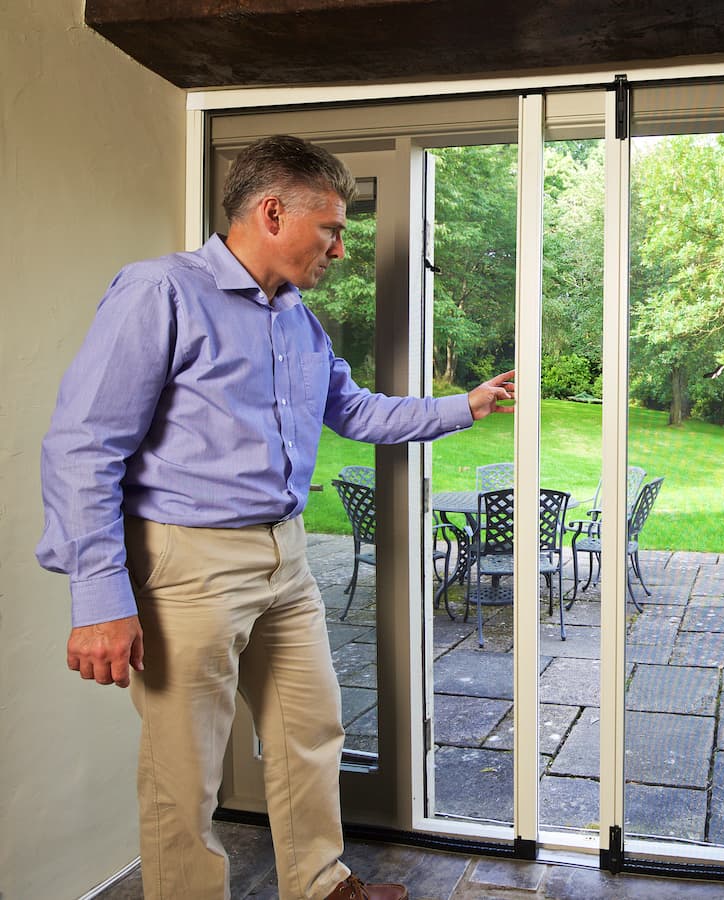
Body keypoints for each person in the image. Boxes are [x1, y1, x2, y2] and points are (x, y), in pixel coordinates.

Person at [36, 134, 514, 900]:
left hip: (284, 558)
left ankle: (321, 884)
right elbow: (82, 448)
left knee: (311, 730)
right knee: (183, 771)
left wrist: (463, 404)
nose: (342, 249)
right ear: (271, 212)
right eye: (332, 228)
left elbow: (353, 410)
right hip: (185, 566)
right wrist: (99, 597)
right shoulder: (160, 293)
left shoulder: (297, 320)